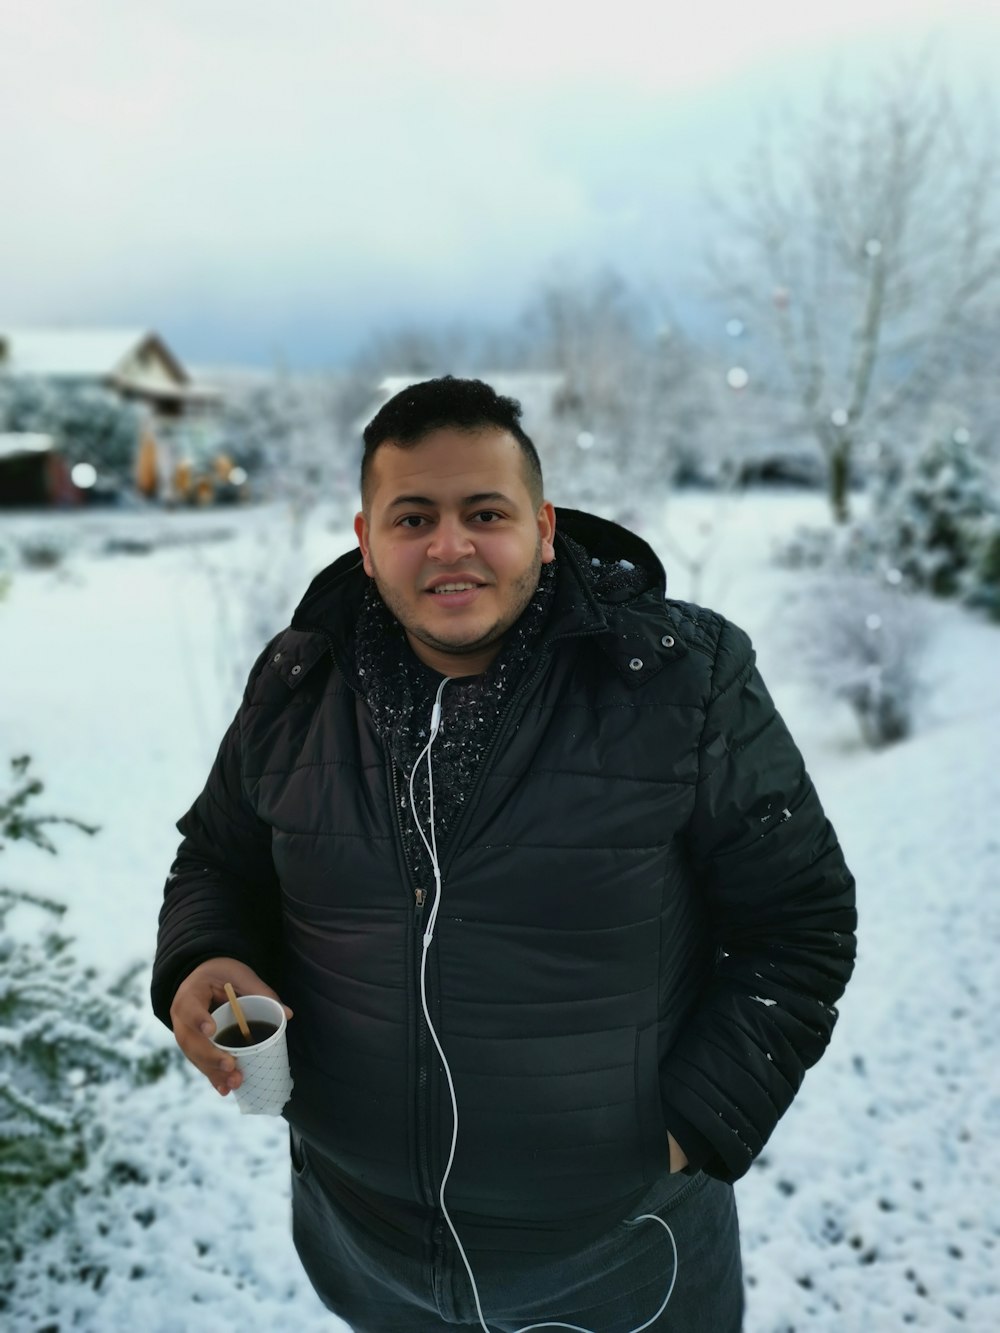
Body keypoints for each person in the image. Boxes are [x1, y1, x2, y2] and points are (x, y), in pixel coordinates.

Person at [151, 376, 856, 1333]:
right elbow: (216, 862)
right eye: (413, 517)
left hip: (625, 1253)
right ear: (366, 540)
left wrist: (691, 1126)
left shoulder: (680, 682)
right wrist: (203, 956)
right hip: (367, 1248)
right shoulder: (298, 680)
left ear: (545, 526)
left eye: (485, 511)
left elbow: (799, 922)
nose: (451, 546)